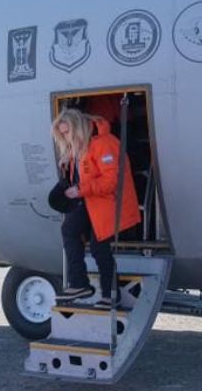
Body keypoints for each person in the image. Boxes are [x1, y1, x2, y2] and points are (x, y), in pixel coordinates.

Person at [50, 107, 141, 306]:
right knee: (70, 230)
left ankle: (109, 294)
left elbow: (111, 181)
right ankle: (80, 284)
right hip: (92, 203)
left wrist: (80, 189)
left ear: (78, 128)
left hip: (108, 204)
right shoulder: (81, 148)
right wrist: (67, 165)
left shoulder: (104, 144)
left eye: (67, 132)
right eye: (62, 134)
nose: (65, 137)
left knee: (100, 247)